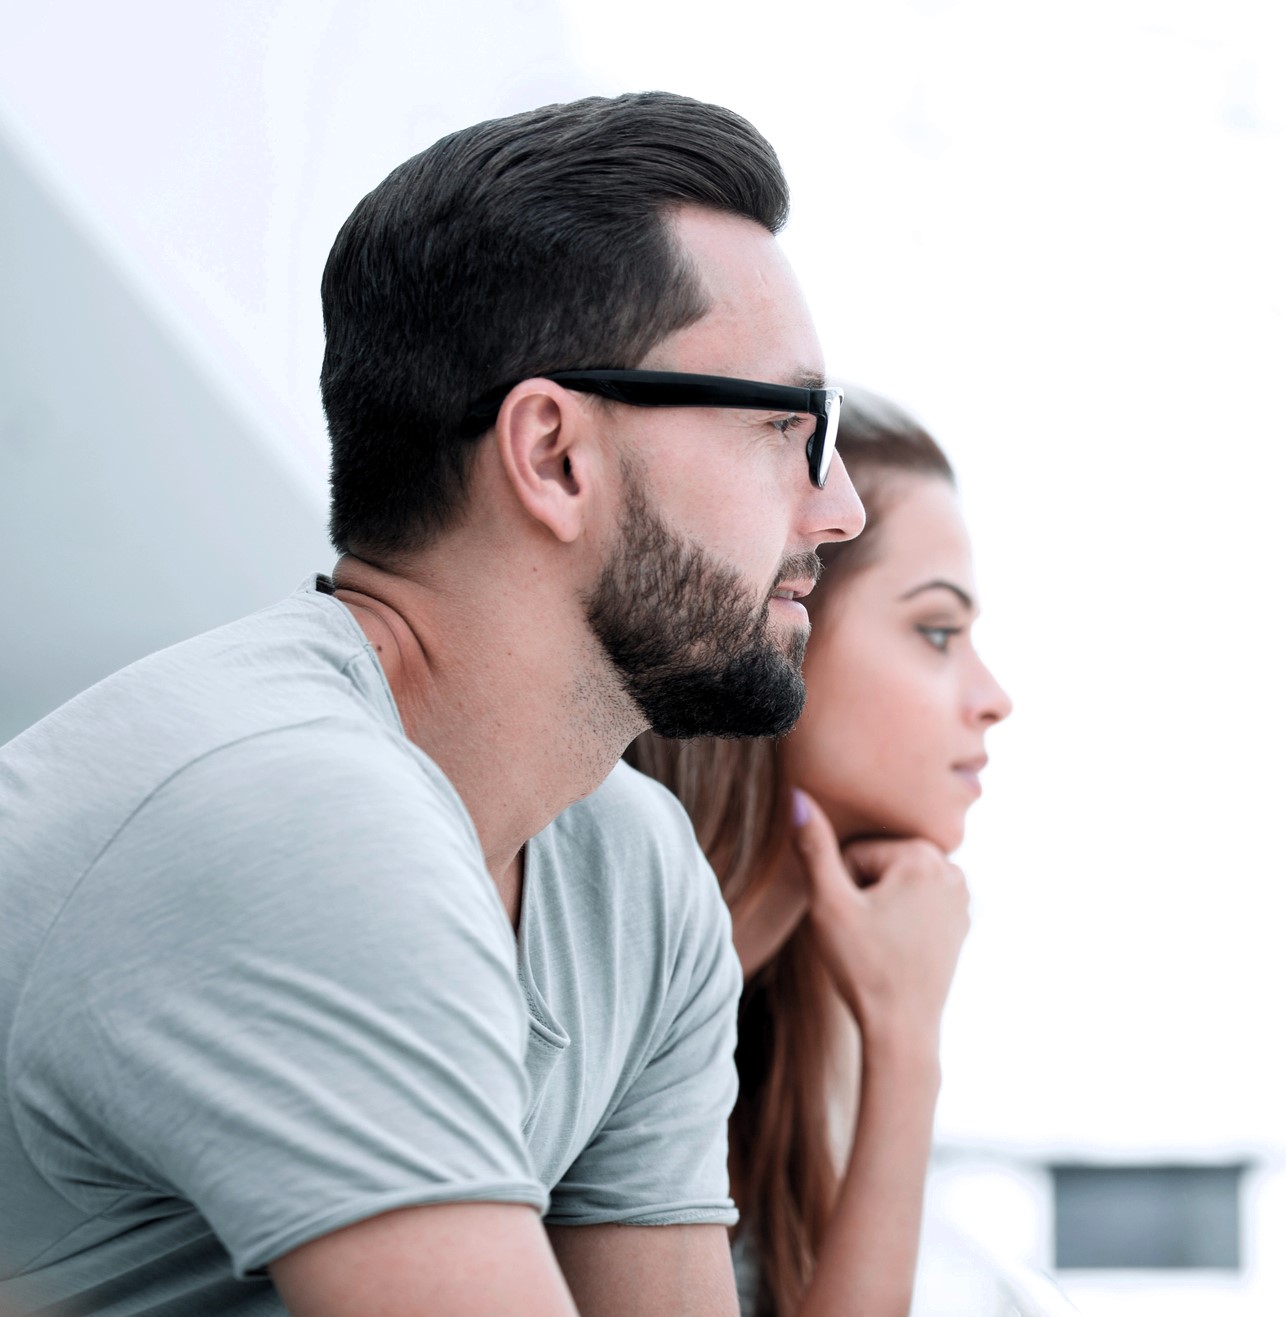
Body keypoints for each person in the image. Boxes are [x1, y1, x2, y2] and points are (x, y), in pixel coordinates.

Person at [0, 92, 864, 1317]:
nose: (838, 512)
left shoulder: (627, 868)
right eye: (785, 423)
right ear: (555, 454)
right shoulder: (296, 815)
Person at [627, 390, 1012, 1317]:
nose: (994, 696)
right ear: (785, 624)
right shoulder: (608, 975)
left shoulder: (781, 1021)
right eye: (935, 632)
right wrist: (908, 1050)